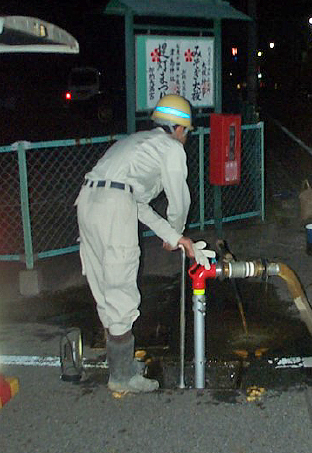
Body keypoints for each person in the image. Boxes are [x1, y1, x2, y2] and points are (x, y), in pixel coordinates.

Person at [75, 94, 215, 393]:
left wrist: (174, 238)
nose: (186, 137)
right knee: (122, 284)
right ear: (179, 129)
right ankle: (122, 377)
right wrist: (176, 230)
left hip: (87, 201)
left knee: (105, 284)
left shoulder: (135, 143)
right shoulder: (171, 148)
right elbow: (180, 198)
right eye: (187, 131)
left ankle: (121, 366)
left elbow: (136, 204)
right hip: (114, 206)